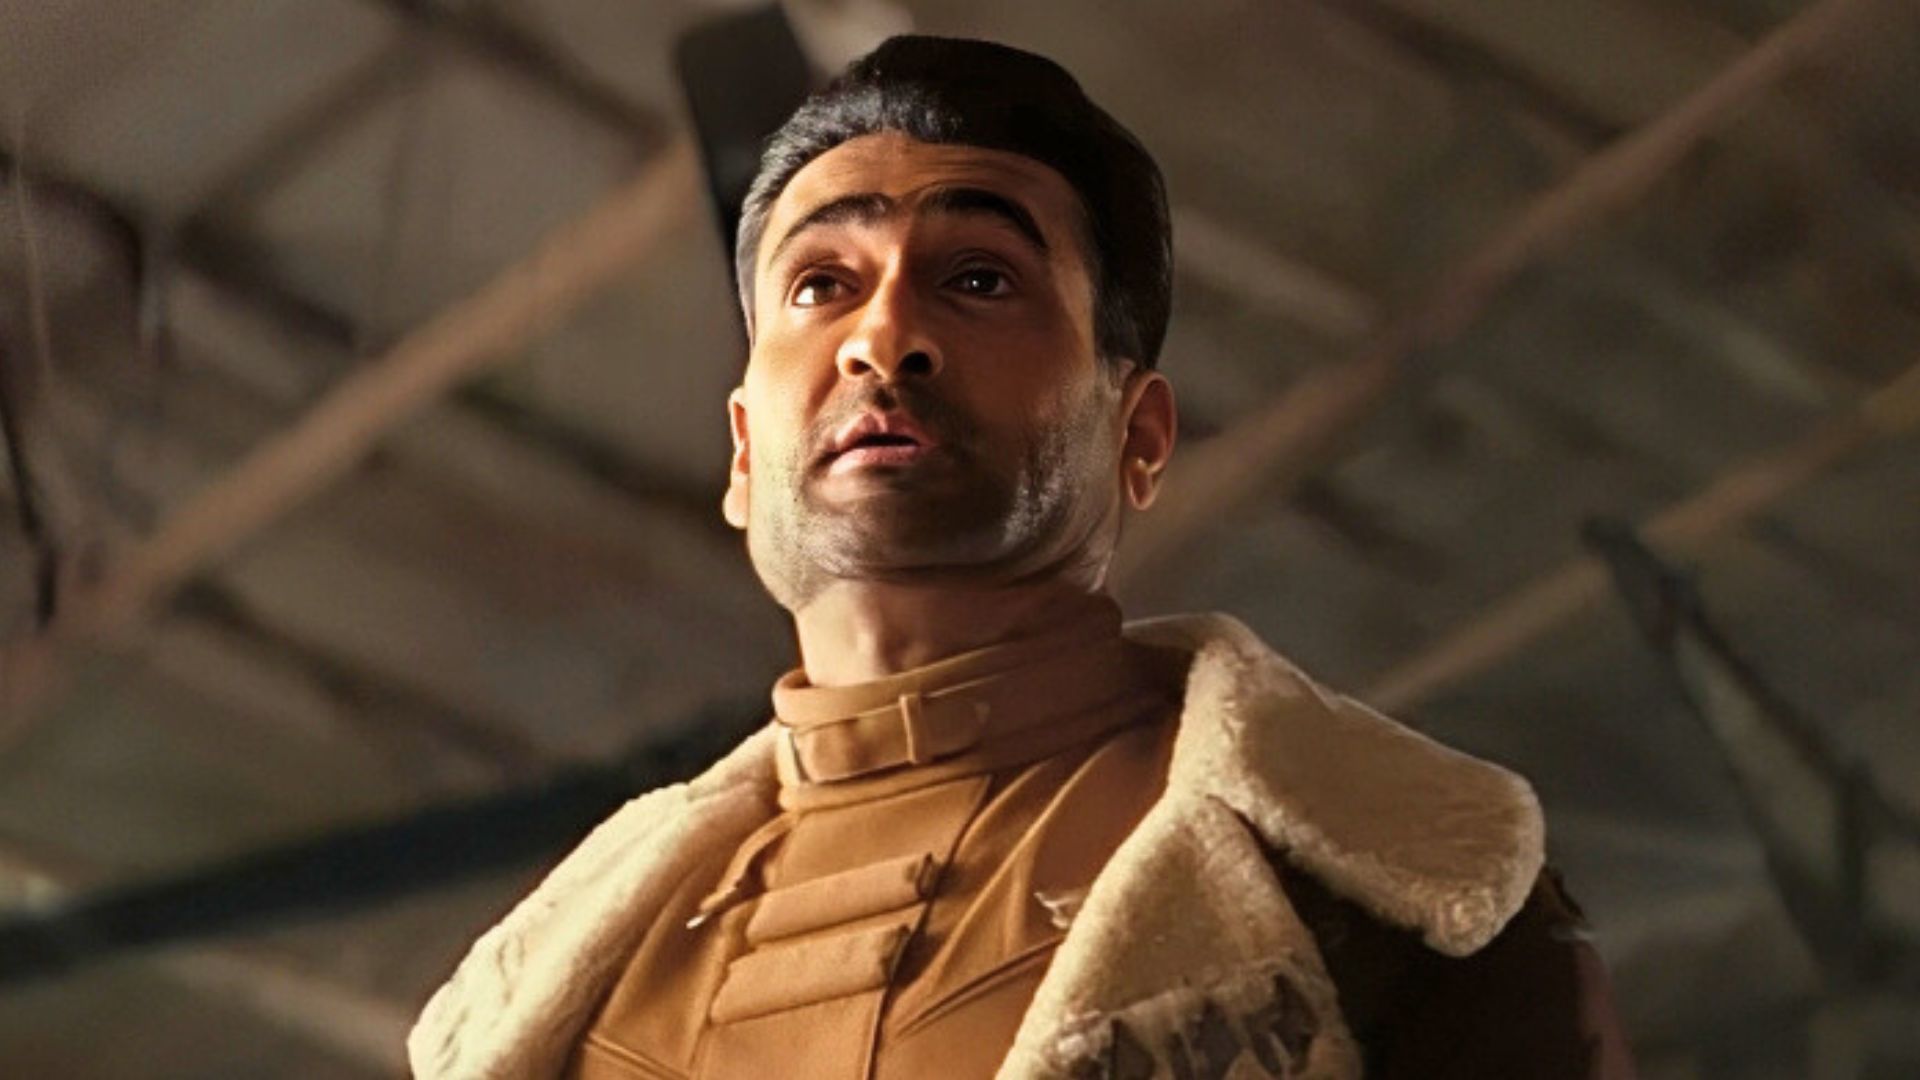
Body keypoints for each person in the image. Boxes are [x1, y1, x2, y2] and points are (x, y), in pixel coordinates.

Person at [409, 35, 1634, 1080]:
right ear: (741, 451)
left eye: (980, 277)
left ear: (1139, 436)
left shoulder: (1396, 889)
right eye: (821, 286)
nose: (884, 334)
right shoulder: (544, 991)